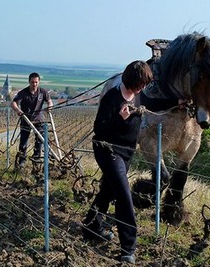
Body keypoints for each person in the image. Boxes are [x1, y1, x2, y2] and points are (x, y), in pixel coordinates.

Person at [82, 60, 153, 265]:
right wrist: (119, 119)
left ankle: (91, 226)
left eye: (145, 84)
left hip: (127, 152)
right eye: (141, 83)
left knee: (109, 190)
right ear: (131, 80)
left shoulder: (140, 95)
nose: (143, 88)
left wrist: (179, 102)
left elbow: (157, 104)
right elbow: (99, 129)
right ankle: (128, 247)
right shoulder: (112, 98)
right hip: (107, 150)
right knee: (123, 193)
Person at [11, 72, 53, 169]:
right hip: (26, 119)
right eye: (32, 82)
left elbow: (49, 101)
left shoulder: (43, 92)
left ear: (39, 82)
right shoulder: (23, 93)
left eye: (36, 82)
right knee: (23, 141)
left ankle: (36, 160)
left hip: (39, 119)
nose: (34, 84)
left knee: (39, 140)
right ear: (29, 82)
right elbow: (13, 103)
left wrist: (49, 107)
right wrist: (18, 111)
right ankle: (22, 161)